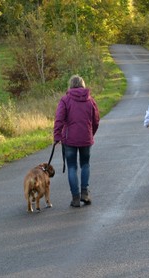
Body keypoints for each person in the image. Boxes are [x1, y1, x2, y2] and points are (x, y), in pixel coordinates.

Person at [54, 75, 100, 207]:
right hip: (86, 137)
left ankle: (75, 197)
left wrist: (57, 136)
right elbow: (96, 120)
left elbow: (59, 119)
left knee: (72, 167)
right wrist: (91, 133)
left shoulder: (65, 100)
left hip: (69, 139)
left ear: (71, 85)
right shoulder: (90, 100)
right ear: (83, 85)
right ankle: (84, 193)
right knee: (85, 165)